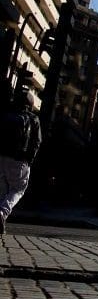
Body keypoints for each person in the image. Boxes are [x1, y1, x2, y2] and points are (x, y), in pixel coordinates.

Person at [0, 91, 42, 234]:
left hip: (2, 157)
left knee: (3, 191)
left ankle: (1, 220)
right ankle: (2, 212)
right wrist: (29, 160)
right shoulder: (33, 119)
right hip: (20, 159)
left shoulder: (6, 115)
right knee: (18, 189)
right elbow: (37, 142)